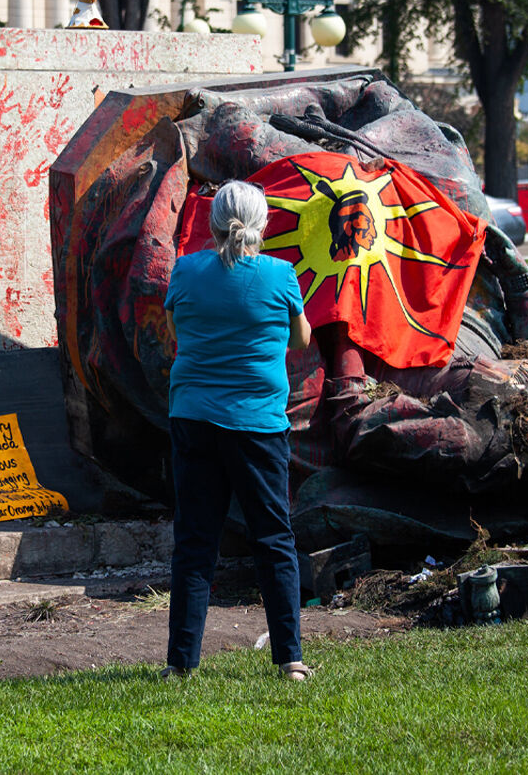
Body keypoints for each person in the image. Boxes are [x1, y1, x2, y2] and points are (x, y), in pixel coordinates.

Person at [161, 180, 314, 681]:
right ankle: (289, 659)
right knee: (273, 538)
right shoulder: (280, 274)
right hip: (257, 425)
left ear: (212, 222)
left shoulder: (185, 270)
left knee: (195, 541)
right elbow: (301, 335)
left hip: (193, 419)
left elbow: (176, 333)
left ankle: (180, 665)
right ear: (262, 224)